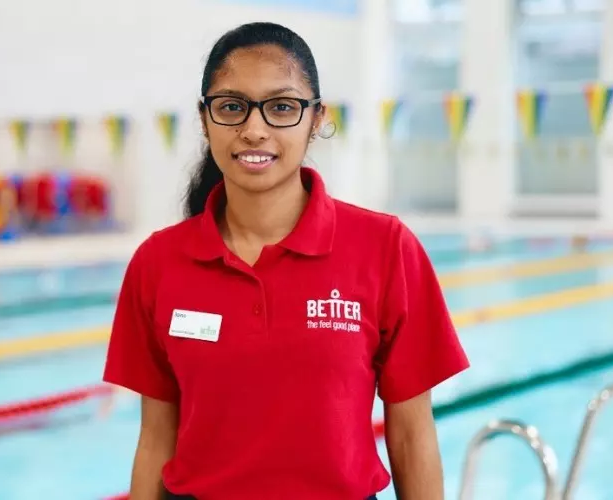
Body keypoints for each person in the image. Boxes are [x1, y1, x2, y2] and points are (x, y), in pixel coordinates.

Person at [102, 22, 469, 500]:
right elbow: (155, 437)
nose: (254, 130)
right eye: (232, 107)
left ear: (315, 119)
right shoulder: (159, 261)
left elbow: (412, 435)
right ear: (204, 118)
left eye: (281, 107)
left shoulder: (385, 248)